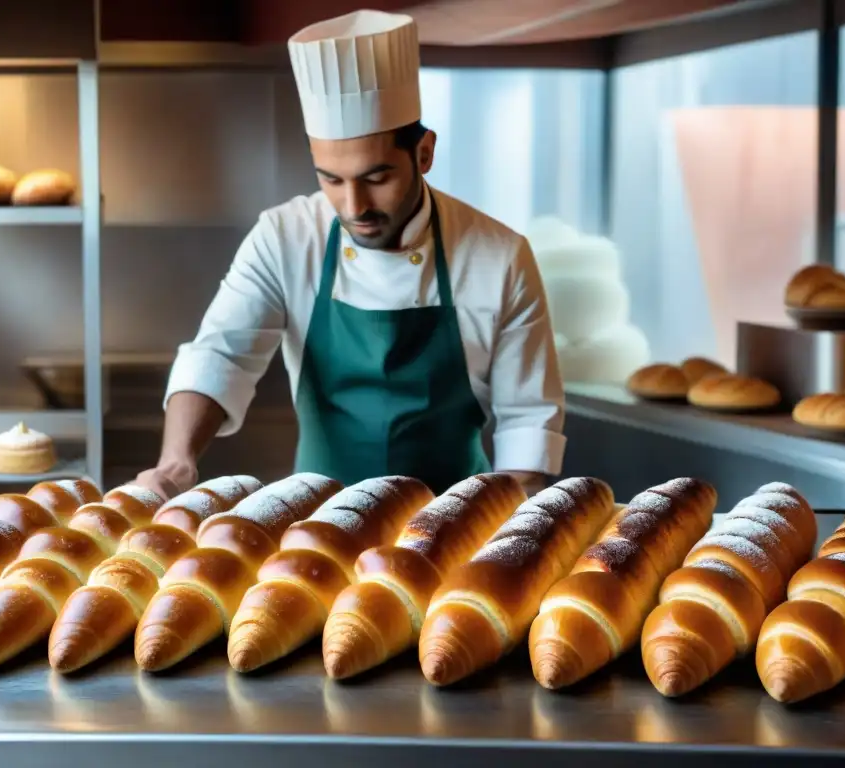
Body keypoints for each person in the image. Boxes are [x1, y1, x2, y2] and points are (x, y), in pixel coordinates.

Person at [135, 9, 565, 500]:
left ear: (423, 153)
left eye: (376, 178)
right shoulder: (283, 237)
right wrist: (174, 466)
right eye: (331, 180)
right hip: (317, 520)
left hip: (454, 528)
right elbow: (220, 354)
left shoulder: (501, 257)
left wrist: (503, 541)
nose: (353, 206)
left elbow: (528, 424)